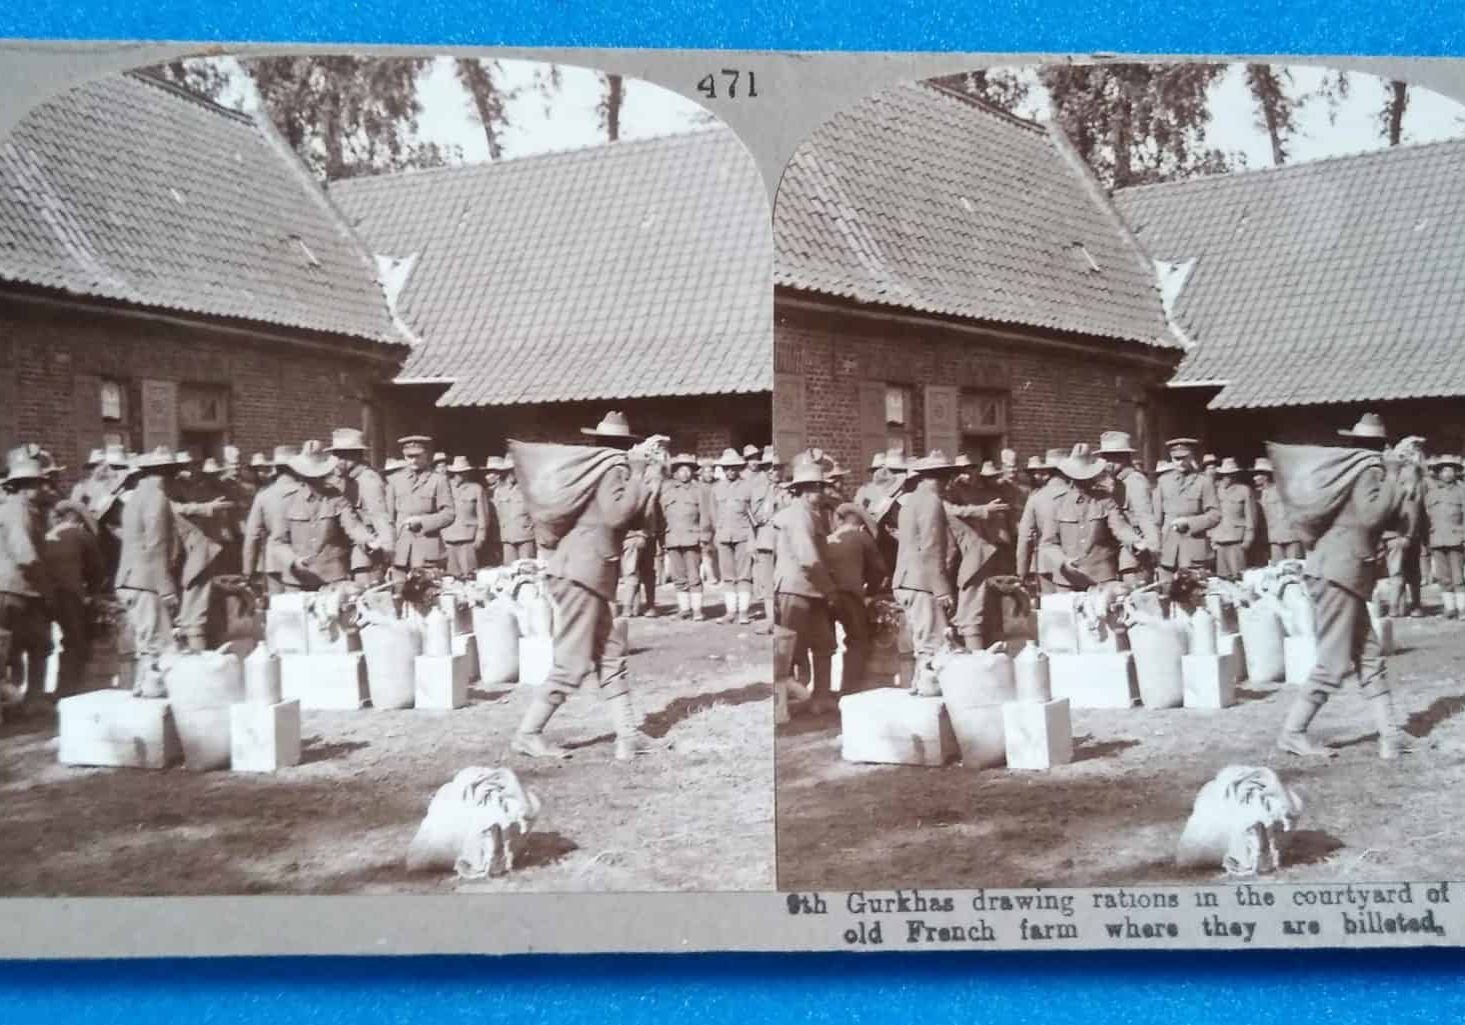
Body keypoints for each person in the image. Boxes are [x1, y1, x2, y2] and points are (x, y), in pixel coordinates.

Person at [510, 412, 664, 761]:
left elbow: (633, 517)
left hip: (587, 572)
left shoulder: (600, 468)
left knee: (611, 654)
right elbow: (616, 516)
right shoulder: (615, 469)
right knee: (573, 662)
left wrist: (649, 481)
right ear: (626, 445)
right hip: (583, 573)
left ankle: (627, 736)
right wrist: (640, 472)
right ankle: (528, 733)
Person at [1278, 413, 1413, 760]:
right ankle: (1292, 733)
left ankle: (1390, 734)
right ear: (1381, 446)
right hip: (1340, 573)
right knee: (1334, 662)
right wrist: (1395, 473)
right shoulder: (1370, 471)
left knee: (1369, 656)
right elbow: (1371, 517)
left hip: (1342, 572)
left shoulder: (1351, 468)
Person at [261, 443, 377, 591]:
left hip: (333, 577)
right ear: (301, 475)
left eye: (320, 476)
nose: (315, 481)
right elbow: (278, 542)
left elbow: (353, 526)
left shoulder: (336, 498)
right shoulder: (288, 501)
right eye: (309, 476)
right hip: (297, 580)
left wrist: (368, 541)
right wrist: (293, 561)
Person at [773, 461, 839, 714]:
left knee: (824, 644)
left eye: (821, 487)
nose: (819, 493)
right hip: (796, 589)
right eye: (812, 488)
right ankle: (788, 701)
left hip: (813, 590)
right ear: (800, 490)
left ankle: (820, 698)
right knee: (790, 650)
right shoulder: (798, 516)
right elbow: (809, 559)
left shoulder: (813, 515)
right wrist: (831, 590)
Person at [115, 447, 182, 697]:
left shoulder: (135, 496)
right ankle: (152, 698)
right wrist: (167, 589)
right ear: (166, 474)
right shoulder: (156, 497)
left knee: (146, 644)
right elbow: (156, 546)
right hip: (146, 581)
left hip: (131, 579)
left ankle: (141, 690)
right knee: (159, 645)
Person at [1031, 445, 1144, 593]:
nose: (1083, 481)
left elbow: (1120, 528)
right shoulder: (1058, 503)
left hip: (1102, 577)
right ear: (1070, 476)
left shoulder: (1105, 500)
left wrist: (1136, 542)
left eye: (1087, 476)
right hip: (1067, 579)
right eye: (1078, 477)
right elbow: (1048, 543)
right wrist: (1063, 561)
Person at [893, 451, 960, 692]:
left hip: (905, 580)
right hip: (922, 582)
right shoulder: (931, 502)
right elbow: (931, 549)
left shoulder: (909, 501)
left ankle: (918, 685)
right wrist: (942, 589)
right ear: (941, 478)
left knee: (920, 640)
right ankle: (927, 690)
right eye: (947, 477)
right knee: (932, 641)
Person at [0, 455, 54, 716]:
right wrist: (47, 588)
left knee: (27, 646)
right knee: (29, 645)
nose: (43, 489)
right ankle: (28, 701)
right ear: (24, 486)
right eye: (37, 484)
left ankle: (29, 701)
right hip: (19, 590)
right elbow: (25, 555)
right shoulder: (17, 511)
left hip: (17, 588)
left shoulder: (22, 509)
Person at [43, 500, 105, 699]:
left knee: (42, 644)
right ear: (78, 519)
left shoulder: (48, 536)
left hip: (44, 595)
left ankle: (43, 690)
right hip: (70, 594)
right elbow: (97, 571)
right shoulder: (82, 535)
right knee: (75, 641)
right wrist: (93, 594)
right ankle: (69, 690)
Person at [825, 500, 887, 693]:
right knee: (858, 640)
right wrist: (871, 592)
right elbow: (879, 570)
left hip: (824, 595)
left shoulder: (830, 538)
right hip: (848, 595)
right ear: (861, 524)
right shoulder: (861, 537)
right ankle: (850, 690)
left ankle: (824, 692)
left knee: (825, 647)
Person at [321, 428, 392, 587]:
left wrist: (386, 551)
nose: (336, 461)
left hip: (367, 552)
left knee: (367, 596)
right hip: (349, 547)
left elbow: (380, 517)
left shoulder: (368, 480)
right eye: (336, 455)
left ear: (354, 457)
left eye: (341, 456)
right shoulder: (347, 479)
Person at [385, 435, 455, 582]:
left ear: (426, 455)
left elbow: (449, 514)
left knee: (427, 593)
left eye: (417, 456)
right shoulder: (395, 481)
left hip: (427, 548)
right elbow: (388, 518)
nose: (413, 460)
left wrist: (423, 521)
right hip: (400, 549)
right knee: (398, 593)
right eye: (409, 457)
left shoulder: (438, 480)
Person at [1153, 437, 1220, 585]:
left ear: (1192, 457)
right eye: (1176, 459)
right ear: (1171, 458)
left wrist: (1190, 523)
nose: (1180, 462)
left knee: (1195, 594)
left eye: (1184, 458)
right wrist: (1156, 547)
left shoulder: (1204, 482)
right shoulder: (1163, 482)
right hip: (1168, 551)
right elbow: (1156, 520)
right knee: (1166, 594)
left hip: (1194, 551)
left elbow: (1215, 515)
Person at [1099, 431, 1159, 586]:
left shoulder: (1135, 481)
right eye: (1105, 458)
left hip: (1134, 551)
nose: (1107, 463)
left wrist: (1151, 547)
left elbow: (1145, 516)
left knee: (1135, 596)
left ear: (1124, 458)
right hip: (1118, 547)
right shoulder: (1116, 481)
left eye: (1111, 458)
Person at [659, 453, 713, 620]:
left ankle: (697, 610)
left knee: (694, 576)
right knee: (678, 577)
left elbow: (705, 514)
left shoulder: (699, 490)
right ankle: (684, 609)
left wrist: (704, 537)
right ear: (675, 473)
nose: (685, 473)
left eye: (688, 470)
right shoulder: (666, 491)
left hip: (692, 538)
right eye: (681, 470)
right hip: (673, 538)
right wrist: (662, 538)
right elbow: (662, 516)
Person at [242, 445, 298, 595]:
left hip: (274, 562)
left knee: (278, 610)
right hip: (301, 560)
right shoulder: (306, 491)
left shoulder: (264, 495)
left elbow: (252, 535)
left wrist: (248, 570)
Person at [711, 446, 757, 624]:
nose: (730, 471)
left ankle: (743, 612)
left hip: (743, 536)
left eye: (733, 468)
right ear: (722, 470)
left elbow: (753, 513)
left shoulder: (748, 487)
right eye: (726, 468)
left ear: (739, 468)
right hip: (723, 536)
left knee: (744, 575)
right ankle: (730, 611)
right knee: (728, 576)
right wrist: (716, 534)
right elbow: (713, 514)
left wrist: (753, 538)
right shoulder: (717, 488)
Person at [1015, 449, 1070, 589]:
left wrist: (1022, 572)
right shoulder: (1079, 495)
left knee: (1052, 608)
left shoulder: (1036, 498)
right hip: (1077, 564)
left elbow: (1025, 537)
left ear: (1047, 473)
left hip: (1047, 565)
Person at [1425, 453, 1465, 619]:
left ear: (1456, 472)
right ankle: (1450, 608)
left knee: (1458, 577)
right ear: (1438, 473)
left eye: (1450, 470)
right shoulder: (1431, 493)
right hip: (1437, 540)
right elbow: (1427, 516)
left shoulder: (1462, 491)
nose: (1447, 473)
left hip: (1456, 539)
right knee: (1443, 577)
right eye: (1444, 470)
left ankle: (1462, 609)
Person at [751, 447, 785, 632]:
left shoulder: (789, 491)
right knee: (766, 581)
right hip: (764, 540)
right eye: (769, 469)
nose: (773, 472)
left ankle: (784, 619)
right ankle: (770, 620)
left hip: (784, 541)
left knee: (784, 581)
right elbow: (754, 516)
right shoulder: (759, 490)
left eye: (777, 468)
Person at [441, 456, 489, 578]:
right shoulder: (444, 488)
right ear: (452, 473)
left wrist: (480, 537)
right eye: (457, 473)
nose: (460, 475)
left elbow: (482, 514)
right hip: (448, 537)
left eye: (463, 472)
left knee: (470, 574)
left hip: (468, 538)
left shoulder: (476, 489)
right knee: (451, 576)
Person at [1211, 457, 1256, 581]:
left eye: (1230, 475)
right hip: (1219, 539)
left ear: (1235, 475)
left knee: (1238, 576)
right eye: (1224, 475)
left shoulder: (1244, 490)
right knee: (1222, 578)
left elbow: (1250, 516)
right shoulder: (1216, 491)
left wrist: (1248, 538)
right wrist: (1211, 539)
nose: (1227, 478)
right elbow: (1211, 515)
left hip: (1237, 539)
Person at [1253, 457, 1303, 564]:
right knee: (1277, 570)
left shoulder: (1282, 489)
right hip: (1274, 537)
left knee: (1293, 568)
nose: (1255, 478)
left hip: (1290, 535)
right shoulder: (1262, 493)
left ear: (1266, 476)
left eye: (1258, 474)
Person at [489, 456, 537, 565]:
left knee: (527, 570)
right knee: (509, 571)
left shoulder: (528, 489)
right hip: (507, 537)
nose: (511, 474)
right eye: (508, 471)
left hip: (525, 536)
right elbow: (497, 515)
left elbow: (537, 514)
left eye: (514, 470)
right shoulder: (499, 491)